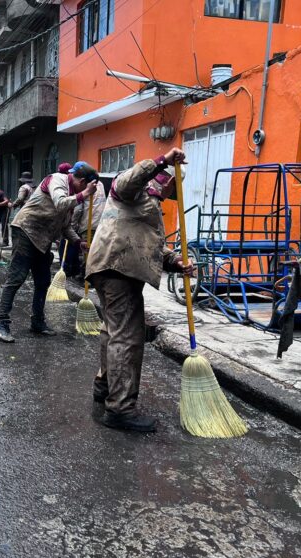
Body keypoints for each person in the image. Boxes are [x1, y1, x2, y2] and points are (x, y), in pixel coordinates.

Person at [86, 150, 194, 433]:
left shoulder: (145, 203)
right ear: (166, 180)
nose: (173, 192)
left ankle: (105, 385)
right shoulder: (133, 191)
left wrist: (174, 261)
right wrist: (162, 159)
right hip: (117, 269)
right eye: (173, 185)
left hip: (112, 267)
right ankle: (120, 409)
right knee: (128, 337)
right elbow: (123, 182)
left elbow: (143, 241)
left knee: (112, 331)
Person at [0, 161, 98, 343]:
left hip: (42, 238)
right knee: (17, 277)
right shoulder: (58, 180)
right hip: (26, 230)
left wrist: (79, 242)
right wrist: (85, 194)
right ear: (84, 181)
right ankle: (1, 322)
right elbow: (61, 203)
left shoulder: (73, 193)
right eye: (88, 187)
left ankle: (38, 322)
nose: (88, 193)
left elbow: (65, 225)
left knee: (43, 282)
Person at [65, 179, 106, 278]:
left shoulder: (85, 186)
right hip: (101, 223)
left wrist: (72, 226)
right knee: (96, 251)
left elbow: (78, 209)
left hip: (88, 224)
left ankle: (87, 277)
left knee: (87, 252)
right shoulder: (100, 184)